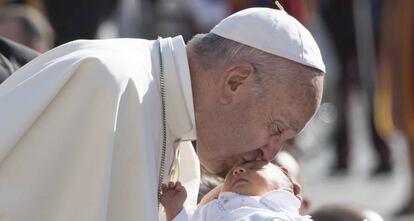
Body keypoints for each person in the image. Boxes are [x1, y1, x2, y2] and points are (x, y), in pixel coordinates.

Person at [0, 7, 325, 221]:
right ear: (235, 81)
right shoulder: (106, 86)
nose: (269, 154)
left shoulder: (176, 117)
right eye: (276, 129)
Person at [161, 160, 310, 221]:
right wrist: (175, 210)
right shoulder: (214, 208)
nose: (238, 170)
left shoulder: (283, 209)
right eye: (230, 173)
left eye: (254, 167)